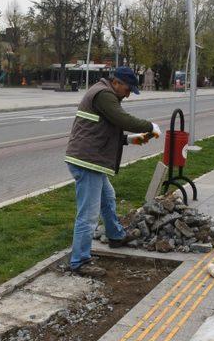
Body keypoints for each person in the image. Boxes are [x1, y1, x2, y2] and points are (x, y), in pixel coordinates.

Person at [65, 66, 161, 277]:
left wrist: (130, 140)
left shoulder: (105, 94)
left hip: (91, 159)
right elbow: (123, 120)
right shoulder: (104, 94)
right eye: (128, 89)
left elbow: (104, 129)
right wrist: (149, 126)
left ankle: (116, 236)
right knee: (88, 215)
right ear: (116, 82)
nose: (128, 94)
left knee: (107, 198)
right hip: (87, 161)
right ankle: (79, 261)